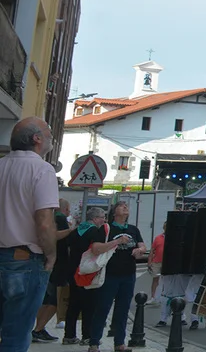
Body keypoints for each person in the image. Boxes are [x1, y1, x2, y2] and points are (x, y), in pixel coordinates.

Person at [0, 117, 60, 352]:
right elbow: (44, 222)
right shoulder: (42, 169)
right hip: (24, 261)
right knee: (16, 335)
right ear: (37, 139)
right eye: (48, 132)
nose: (51, 137)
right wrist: (51, 255)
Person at [64, 207, 132, 350]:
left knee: (74, 303)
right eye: (102, 217)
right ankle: (87, 336)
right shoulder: (95, 231)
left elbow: (67, 247)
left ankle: (69, 335)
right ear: (95, 219)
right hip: (89, 270)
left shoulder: (77, 230)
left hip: (73, 269)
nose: (104, 220)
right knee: (90, 304)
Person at [88, 201, 147, 352]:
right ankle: (94, 342)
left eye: (126, 206)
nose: (125, 207)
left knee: (123, 309)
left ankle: (119, 343)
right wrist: (117, 241)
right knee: (103, 308)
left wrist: (140, 250)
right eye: (121, 206)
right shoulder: (106, 229)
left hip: (128, 274)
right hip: (110, 274)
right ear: (114, 212)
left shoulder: (133, 229)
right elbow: (95, 248)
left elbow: (142, 245)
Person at [33, 199, 75, 342]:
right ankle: (38, 329)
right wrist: (70, 231)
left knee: (46, 299)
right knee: (55, 301)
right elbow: (55, 235)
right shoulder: (61, 219)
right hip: (59, 265)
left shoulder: (51, 218)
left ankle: (39, 328)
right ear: (66, 209)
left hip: (49, 262)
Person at [148, 225, 166, 304]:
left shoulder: (173, 238)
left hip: (167, 263)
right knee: (155, 279)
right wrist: (149, 261)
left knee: (166, 280)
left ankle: (163, 296)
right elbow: (152, 250)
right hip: (157, 261)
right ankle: (153, 297)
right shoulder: (158, 238)